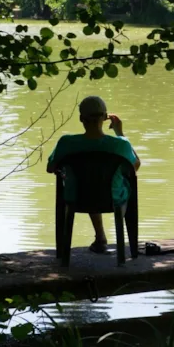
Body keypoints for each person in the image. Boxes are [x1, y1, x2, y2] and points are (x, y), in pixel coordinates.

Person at [46, 95, 141, 254]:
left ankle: (99, 238)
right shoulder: (120, 144)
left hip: (76, 197)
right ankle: (122, 246)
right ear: (105, 118)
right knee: (116, 187)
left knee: (88, 185)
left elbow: (50, 167)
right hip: (112, 198)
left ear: (81, 118)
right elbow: (135, 165)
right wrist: (120, 133)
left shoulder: (66, 142)